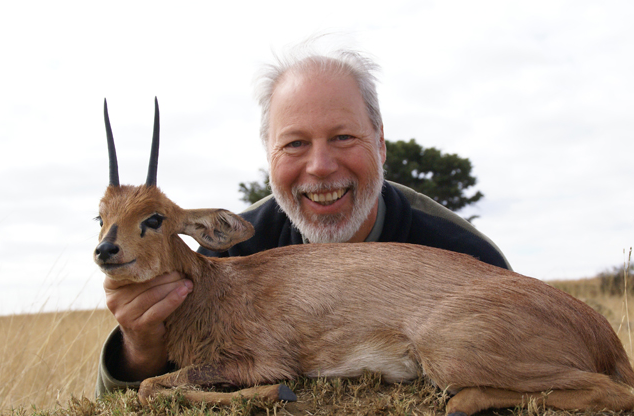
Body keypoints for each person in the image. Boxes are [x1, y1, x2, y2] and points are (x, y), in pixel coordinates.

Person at [95, 46, 510, 397]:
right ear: (270, 157)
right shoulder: (230, 251)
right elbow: (162, 383)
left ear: (381, 144)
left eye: (343, 137)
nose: (321, 167)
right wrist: (140, 343)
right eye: (295, 144)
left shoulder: (465, 252)